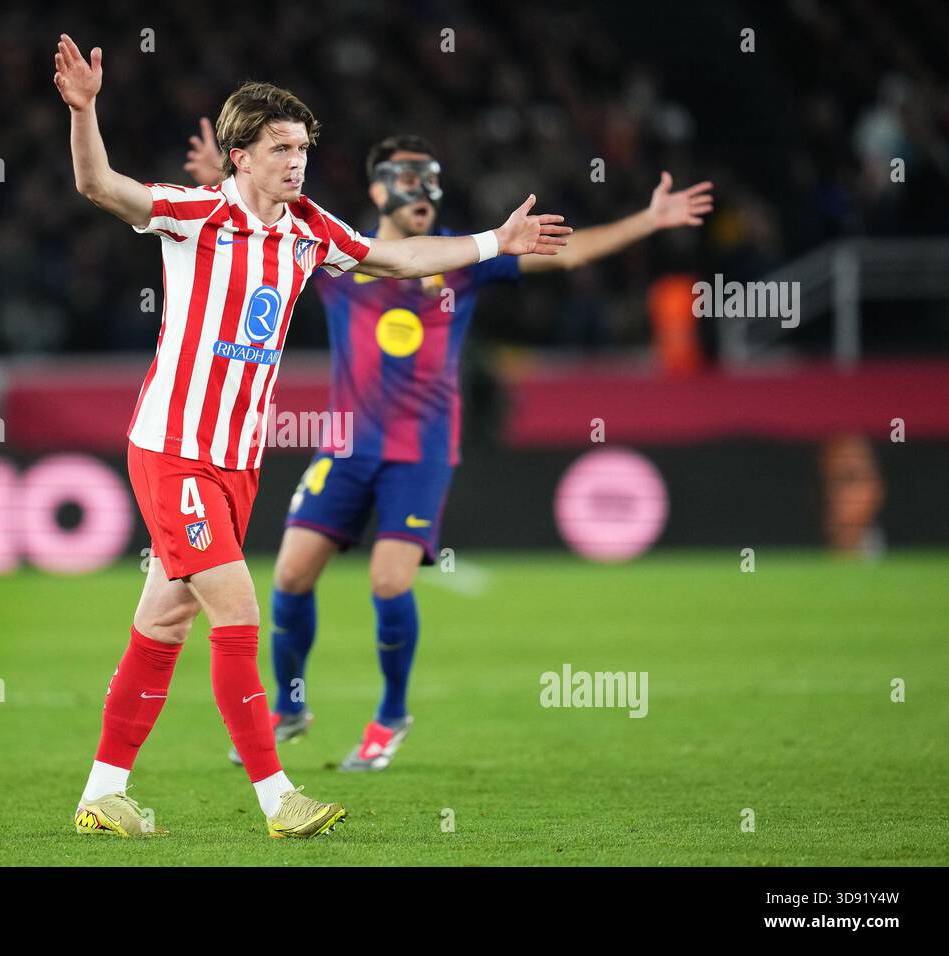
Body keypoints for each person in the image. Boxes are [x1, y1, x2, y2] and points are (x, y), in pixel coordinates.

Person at [53, 36, 572, 836]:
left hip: (236, 462)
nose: (296, 161)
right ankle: (277, 797)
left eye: (302, 148)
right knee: (236, 608)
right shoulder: (196, 216)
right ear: (240, 156)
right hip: (174, 448)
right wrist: (85, 111)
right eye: (281, 148)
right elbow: (96, 185)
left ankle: (101, 792)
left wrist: (490, 244)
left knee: (164, 621)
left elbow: (394, 256)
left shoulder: (306, 230)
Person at [183, 121, 711, 772]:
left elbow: (568, 254)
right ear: (378, 194)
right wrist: (222, 178)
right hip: (345, 448)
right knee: (290, 577)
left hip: (420, 451)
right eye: (406, 176)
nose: (422, 187)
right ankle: (290, 705)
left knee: (387, 580)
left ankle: (391, 715)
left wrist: (648, 221)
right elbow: (260, 216)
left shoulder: (463, 262)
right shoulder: (334, 252)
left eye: (430, 176)